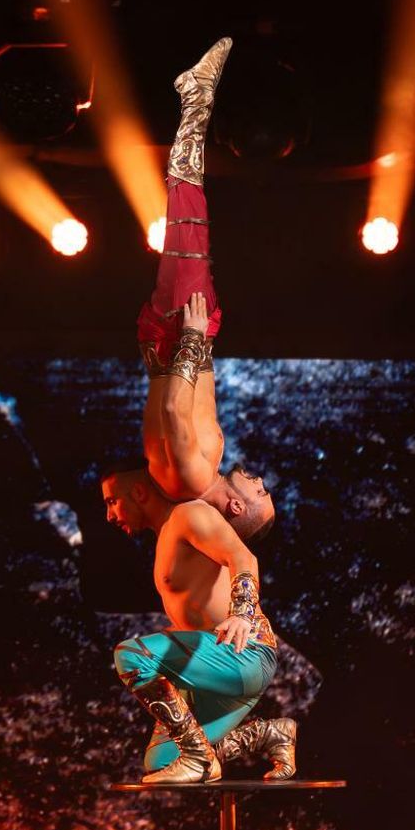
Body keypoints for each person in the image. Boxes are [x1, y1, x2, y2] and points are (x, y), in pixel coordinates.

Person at [138, 37, 275, 541]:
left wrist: (194, 335)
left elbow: (174, 408)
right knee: (189, 218)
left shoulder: (194, 478)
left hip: (180, 334)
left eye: (261, 492)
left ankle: (195, 97)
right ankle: (194, 98)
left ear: (236, 507)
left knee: (189, 214)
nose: (260, 481)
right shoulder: (189, 481)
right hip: (177, 340)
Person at [102, 460, 295, 783]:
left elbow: (243, 557)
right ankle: (268, 734)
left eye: (112, 501)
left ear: (138, 492)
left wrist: (242, 612)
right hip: (214, 663)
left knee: (131, 655)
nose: (109, 515)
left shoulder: (189, 514)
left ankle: (197, 757)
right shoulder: (170, 530)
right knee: (161, 760)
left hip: (244, 655)